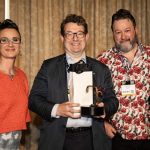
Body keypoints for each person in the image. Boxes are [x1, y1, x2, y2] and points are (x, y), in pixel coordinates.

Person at [29, 14, 119, 150]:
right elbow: (34, 100)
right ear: (62, 38)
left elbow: (113, 101)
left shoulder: (101, 69)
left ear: (87, 37)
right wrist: (57, 109)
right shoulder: (48, 67)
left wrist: (103, 109)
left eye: (80, 33)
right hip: (57, 140)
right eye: (69, 34)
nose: (75, 38)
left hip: (93, 140)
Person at [97, 9, 150, 150]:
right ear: (113, 34)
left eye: (127, 30)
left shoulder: (149, 56)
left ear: (136, 30)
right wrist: (102, 124)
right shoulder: (103, 61)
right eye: (118, 32)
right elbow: (90, 99)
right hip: (117, 139)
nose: (123, 36)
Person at [0, 19, 31, 149]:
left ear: (20, 44)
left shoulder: (22, 76)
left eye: (15, 39)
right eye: (4, 40)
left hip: (15, 144)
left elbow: (22, 119)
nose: (10, 44)